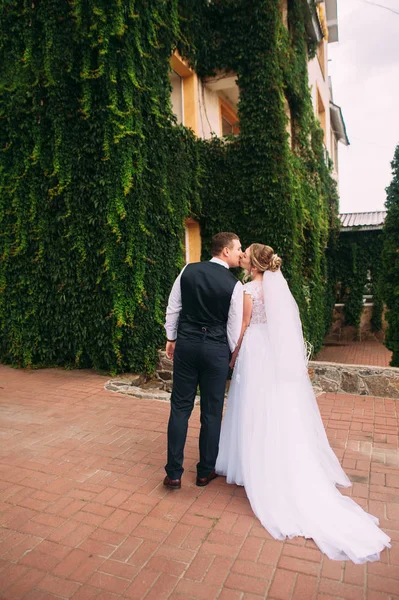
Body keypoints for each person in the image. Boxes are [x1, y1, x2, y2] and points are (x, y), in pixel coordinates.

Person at [216, 243, 391, 564]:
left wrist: (234, 354)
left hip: (255, 352)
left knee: (251, 408)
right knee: (274, 409)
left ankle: (254, 465)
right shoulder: (278, 289)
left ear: (253, 265)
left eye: (246, 255)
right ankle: (275, 457)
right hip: (272, 355)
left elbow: (241, 327)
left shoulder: (247, 289)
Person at [163, 232, 243, 490]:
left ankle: (174, 473)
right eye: (238, 248)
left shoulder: (188, 270)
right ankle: (204, 471)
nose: (240, 253)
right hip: (216, 349)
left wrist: (171, 337)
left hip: (186, 345)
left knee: (180, 407)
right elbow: (233, 328)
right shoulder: (234, 285)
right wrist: (229, 354)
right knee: (211, 412)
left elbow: (173, 306)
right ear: (225, 251)